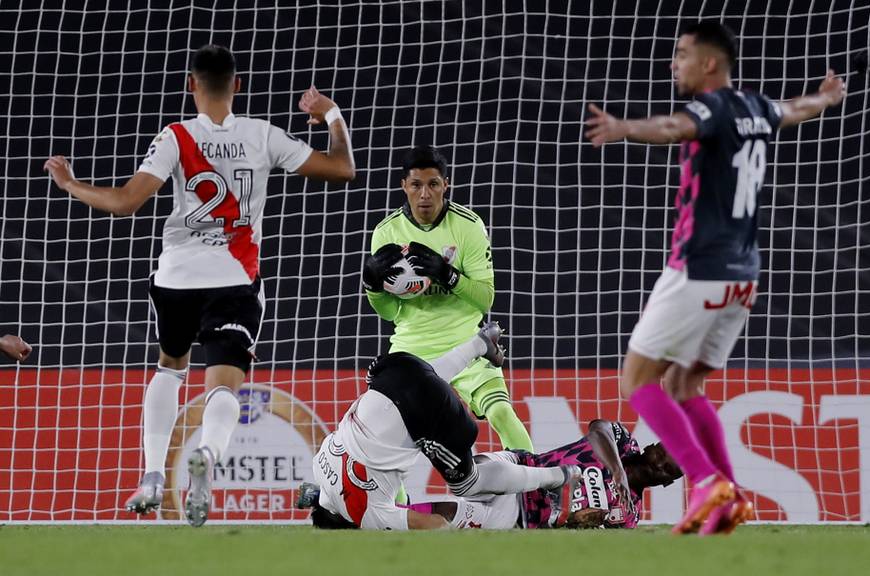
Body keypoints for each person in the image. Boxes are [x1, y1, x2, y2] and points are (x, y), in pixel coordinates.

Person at [44, 44, 356, 527]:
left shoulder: (175, 136)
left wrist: (72, 185)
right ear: (238, 85)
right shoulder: (262, 135)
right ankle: (206, 459)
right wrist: (330, 113)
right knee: (224, 384)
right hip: (234, 277)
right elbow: (342, 169)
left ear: (191, 85)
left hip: (175, 277)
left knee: (169, 369)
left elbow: (127, 202)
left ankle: (150, 474)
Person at [584, 21, 846, 534]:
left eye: (681, 54)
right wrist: (826, 97)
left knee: (636, 379)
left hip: (699, 269)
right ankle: (731, 498)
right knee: (685, 384)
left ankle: (706, 481)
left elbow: (673, 128)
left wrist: (624, 128)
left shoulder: (714, 106)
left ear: (709, 64)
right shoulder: (757, 107)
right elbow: (796, 111)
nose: (672, 63)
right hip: (744, 276)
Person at [305, 322, 580, 530]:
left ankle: (558, 477)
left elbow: (433, 524)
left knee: (467, 485)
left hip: (427, 414)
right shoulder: (319, 464)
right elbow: (311, 494)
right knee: (420, 382)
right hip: (395, 367)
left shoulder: (366, 517)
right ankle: (480, 344)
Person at [362, 146, 533, 458]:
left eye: (433, 184)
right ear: (404, 186)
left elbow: (485, 298)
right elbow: (389, 312)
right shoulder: (386, 233)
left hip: (465, 339)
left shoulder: (468, 226)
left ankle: (537, 495)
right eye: (416, 185)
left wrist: (447, 274)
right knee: (384, 437)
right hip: (411, 344)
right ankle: (395, 507)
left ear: (446, 184)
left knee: (502, 414)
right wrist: (373, 287)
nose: (425, 194)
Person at [306, 419, 682, 530]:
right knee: (470, 475)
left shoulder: (628, 515)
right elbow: (598, 428)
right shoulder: (620, 441)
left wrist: (575, 523)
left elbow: (589, 540)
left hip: (521, 518)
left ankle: (355, 516)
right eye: (664, 453)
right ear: (653, 446)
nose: (661, 463)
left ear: (666, 482)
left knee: (445, 519)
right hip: (521, 466)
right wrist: (615, 469)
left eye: (670, 469)